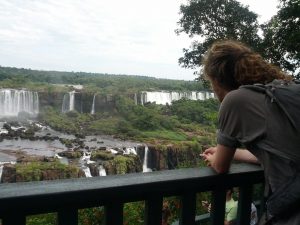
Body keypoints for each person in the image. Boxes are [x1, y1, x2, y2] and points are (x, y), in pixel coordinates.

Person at [200, 40, 300, 225]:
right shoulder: (288, 91)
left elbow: (221, 166)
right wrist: (233, 152)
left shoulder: (235, 100)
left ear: (217, 79)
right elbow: (275, 152)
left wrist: (216, 158)